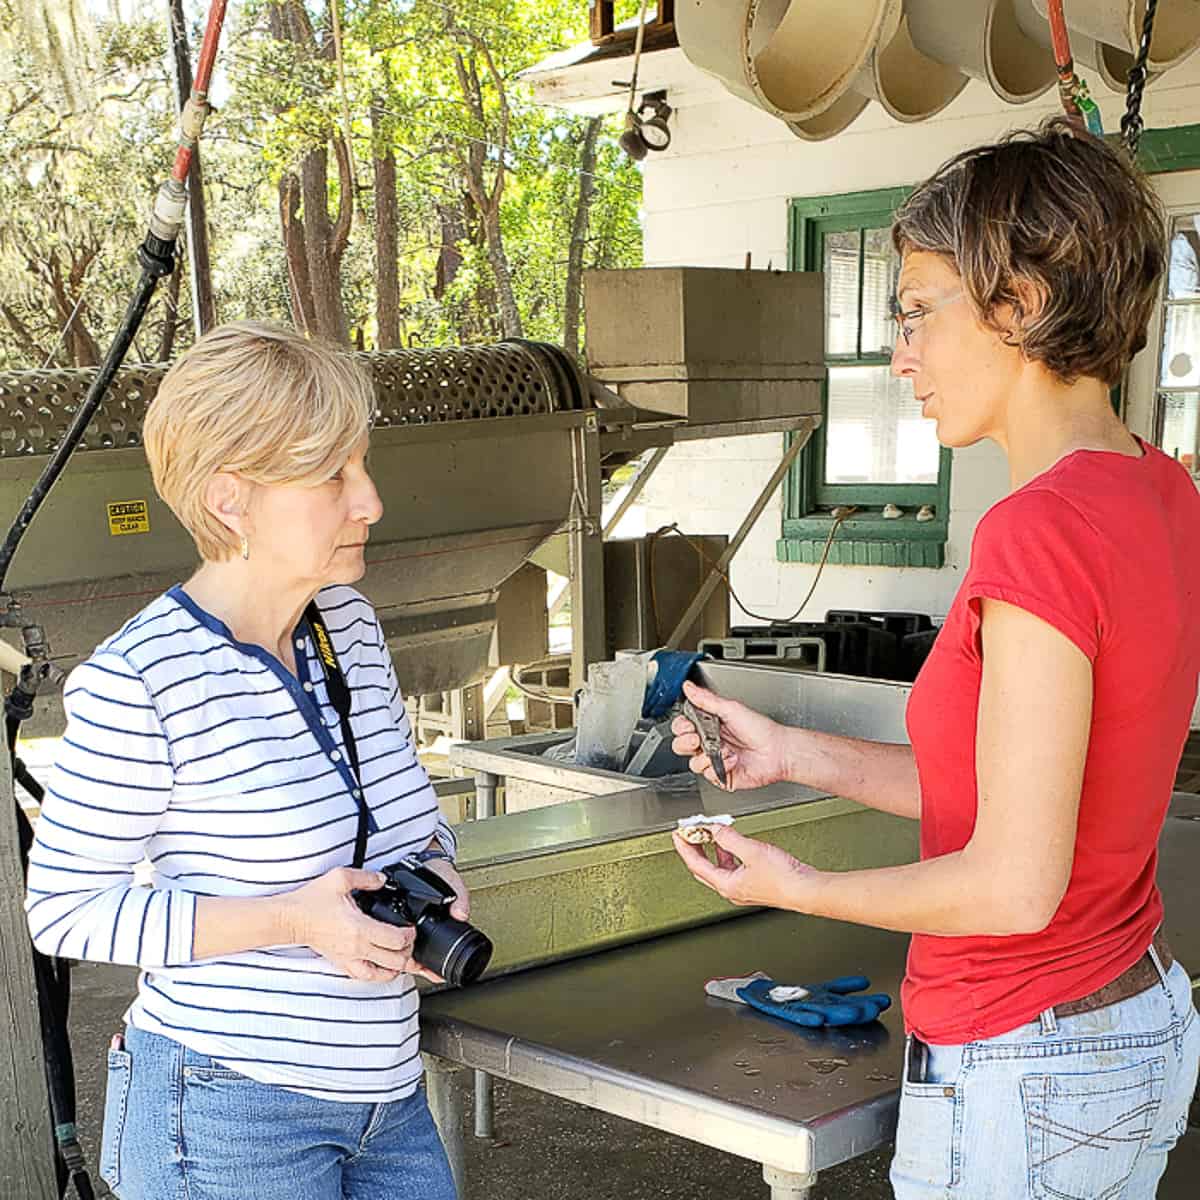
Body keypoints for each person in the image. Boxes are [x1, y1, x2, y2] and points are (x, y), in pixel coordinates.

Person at [672, 118, 1200, 1199]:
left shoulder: (1039, 531)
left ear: (1022, 304)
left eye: (917, 313)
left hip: (1027, 1056)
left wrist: (800, 890)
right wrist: (794, 753)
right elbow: (1023, 791)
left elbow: (1012, 884)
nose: (900, 353)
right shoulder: (1158, 489)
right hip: (1122, 1015)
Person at [25, 321, 462, 1200]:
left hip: (387, 1095)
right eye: (333, 475)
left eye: (364, 467)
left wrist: (440, 876)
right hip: (226, 1113)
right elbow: (64, 913)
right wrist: (296, 922)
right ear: (231, 500)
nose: (369, 501)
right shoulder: (138, 678)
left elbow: (413, 817)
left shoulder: (349, 626)